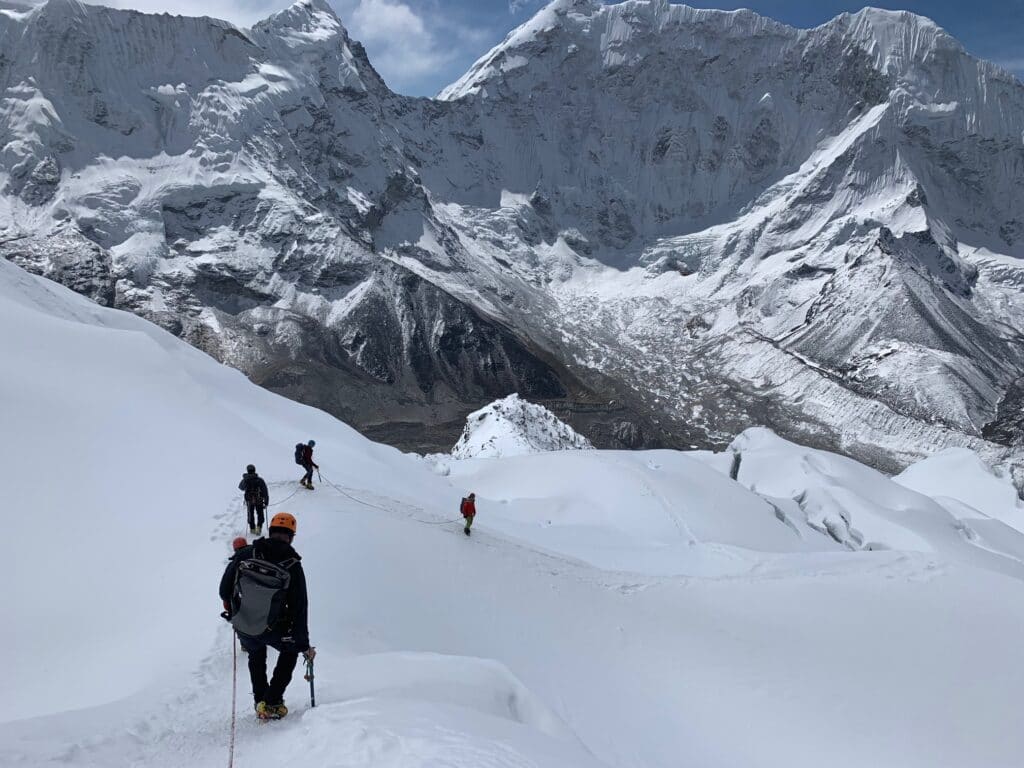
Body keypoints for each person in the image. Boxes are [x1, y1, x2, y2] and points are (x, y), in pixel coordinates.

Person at [219, 512, 315, 720]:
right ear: (291, 536)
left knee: (255, 654)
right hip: (274, 627)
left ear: (271, 531)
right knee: (290, 652)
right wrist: (302, 643)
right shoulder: (293, 566)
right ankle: (271, 702)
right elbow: (300, 607)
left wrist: (233, 609)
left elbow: (224, 589)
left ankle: (259, 700)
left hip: (244, 622)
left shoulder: (246, 553)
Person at [238, 464, 270, 535]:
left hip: (249, 500)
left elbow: (241, 487)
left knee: (250, 514)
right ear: (254, 470)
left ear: (247, 470)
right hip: (259, 499)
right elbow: (265, 491)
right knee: (260, 514)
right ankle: (259, 528)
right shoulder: (259, 480)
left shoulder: (245, 480)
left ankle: (252, 529)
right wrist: (266, 501)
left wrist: (245, 479)